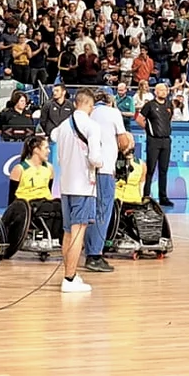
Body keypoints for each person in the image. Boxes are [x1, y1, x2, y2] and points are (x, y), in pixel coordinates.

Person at [48, 89, 111, 293]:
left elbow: (53, 135)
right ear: (90, 106)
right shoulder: (92, 126)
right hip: (83, 185)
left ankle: (70, 274)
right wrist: (100, 161)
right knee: (78, 232)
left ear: (76, 103)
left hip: (65, 184)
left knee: (68, 232)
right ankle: (69, 277)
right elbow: (94, 158)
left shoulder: (64, 125)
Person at [83, 90, 132, 273]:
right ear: (110, 100)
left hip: (85, 170)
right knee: (103, 212)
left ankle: (88, 249)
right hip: (103, 169)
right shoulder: (113, 113)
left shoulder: (87, 114)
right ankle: (94, 255)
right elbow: (123, 142)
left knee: (88, 212)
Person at [136, 82, 174, 206]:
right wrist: (148, 130)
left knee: (164, 170)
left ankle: (163, 197)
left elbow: (170, 118)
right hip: (154, 140)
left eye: (166, 90)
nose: (164, 92)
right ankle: (146, 195)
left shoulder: (169, 105)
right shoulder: (149, 105)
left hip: (166, 140)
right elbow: (139, 119)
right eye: (161, 90)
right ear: (156, 92)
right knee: (150, 169)